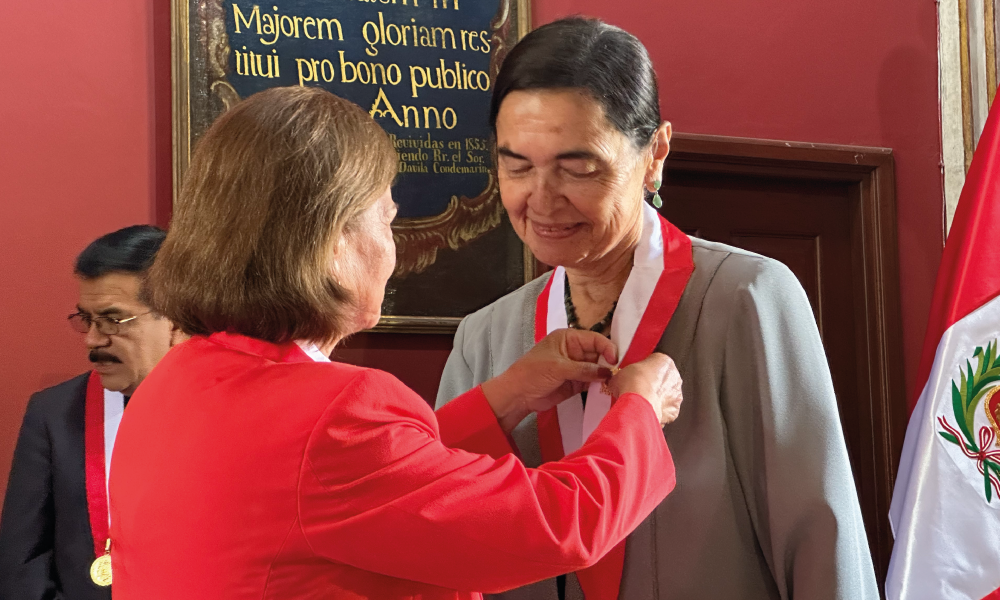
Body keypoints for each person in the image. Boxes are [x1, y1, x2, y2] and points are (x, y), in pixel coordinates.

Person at [108, 86, 685, 600]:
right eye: (386, 221)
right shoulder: (339, 416)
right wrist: (638, 406)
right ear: (332, 242)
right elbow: (558, 524)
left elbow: (356, 492)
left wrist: (506, 397)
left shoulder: (175, 377)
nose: (394, 250)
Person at [436, 17, 879, 600]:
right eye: (516, 165)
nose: (539, 199)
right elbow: (440, 532)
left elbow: (821, 543)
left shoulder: (746, 300)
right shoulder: (485, 337)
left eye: (577, 167)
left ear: (655, 154)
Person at [0, 225, 185, 600]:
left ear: (176, 319)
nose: (93, 339)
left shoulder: (235, 414)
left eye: (114, 320)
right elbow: (21, 568)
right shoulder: (54, 414)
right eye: (86, 319)